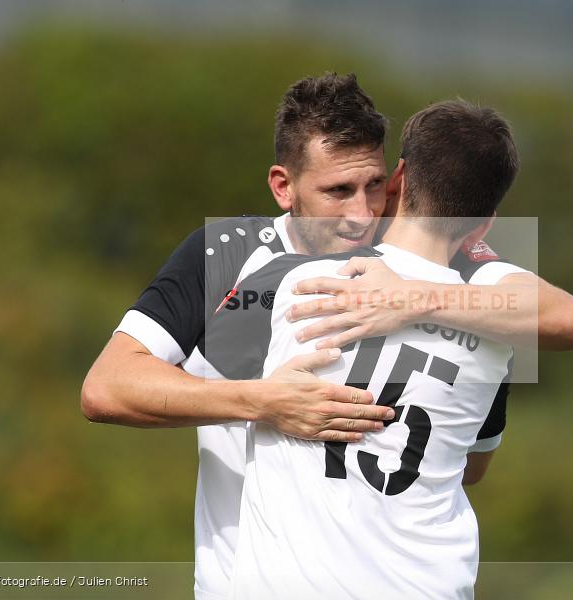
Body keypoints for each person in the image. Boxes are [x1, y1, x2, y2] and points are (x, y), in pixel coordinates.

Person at [80, 73, 573, 600]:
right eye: (337, 192)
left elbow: (569, 321)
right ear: (284, 187)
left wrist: (418, 298)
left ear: (397, 179)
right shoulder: (232, 255)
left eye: (373, 186)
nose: (361, 214)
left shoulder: (457, 278)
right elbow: (106, 388)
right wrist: (261, 402)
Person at [207, 99, 522, 599]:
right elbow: (472, 468)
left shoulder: (294, 280)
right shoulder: (499, 333)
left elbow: (186, 388)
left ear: (396, 180)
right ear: (484, 224)